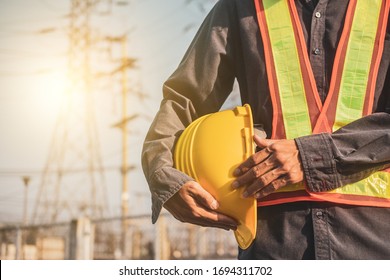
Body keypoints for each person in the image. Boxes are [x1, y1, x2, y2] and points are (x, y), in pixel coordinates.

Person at [142, 0, 390, 259]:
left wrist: (309, 157)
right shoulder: (240, 7)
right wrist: (164, 177)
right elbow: (184, 101)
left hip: (372, 239)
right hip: (272, 244)